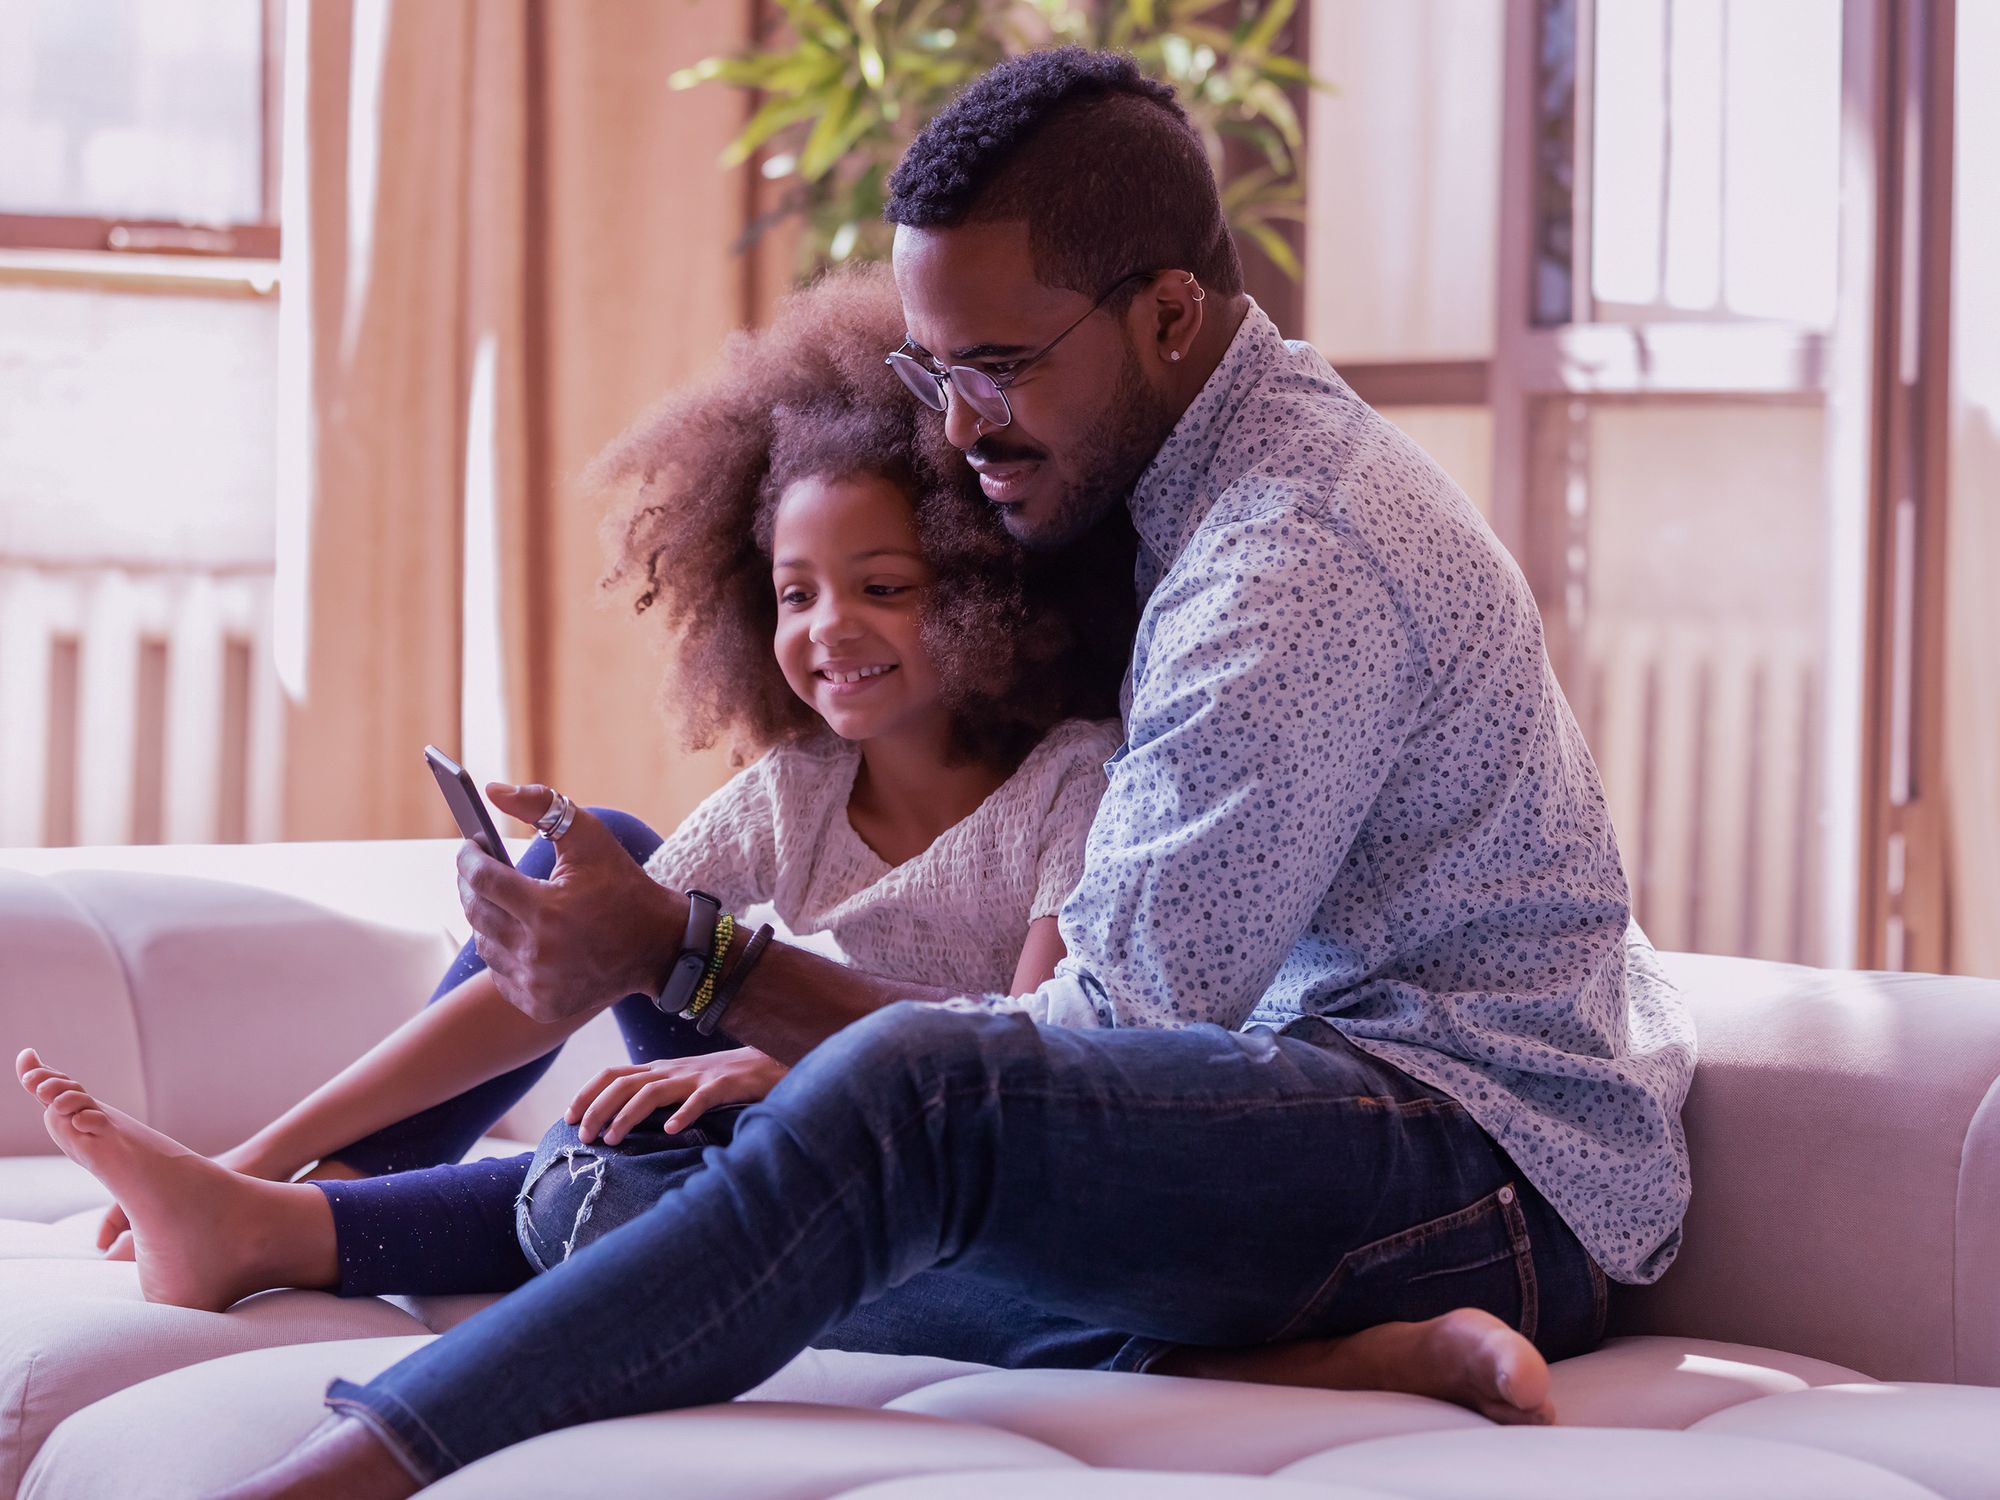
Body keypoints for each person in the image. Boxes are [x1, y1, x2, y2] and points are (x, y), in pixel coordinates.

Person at [20, 49, 1697, 1499]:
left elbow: (1106, 1045)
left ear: (1171, 314)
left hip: (1480, 1166)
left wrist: (695, 960)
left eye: (999, 365)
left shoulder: (1291, 566)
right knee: (623, 1191)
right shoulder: (1210, 500)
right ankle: (1302, 1355)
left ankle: (345, 1470)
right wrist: (745, 1032)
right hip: (1323, 1131)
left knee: (909, 1094)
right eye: (929, 366)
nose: (958, 424)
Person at [23, 260, 1136, 1299]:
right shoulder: (802, 787)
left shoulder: (1064, 785)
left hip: (934, 1151)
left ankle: (292, 1231)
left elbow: (1028, 1051)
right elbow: (584, 956)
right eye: (796, 596)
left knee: (669, 1167)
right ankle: (298, 1194)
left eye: (882, 586)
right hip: (798, 1081)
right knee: (589, 858)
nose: (829, 629)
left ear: (997, 590)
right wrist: (258, 1144)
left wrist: (773, 1066)